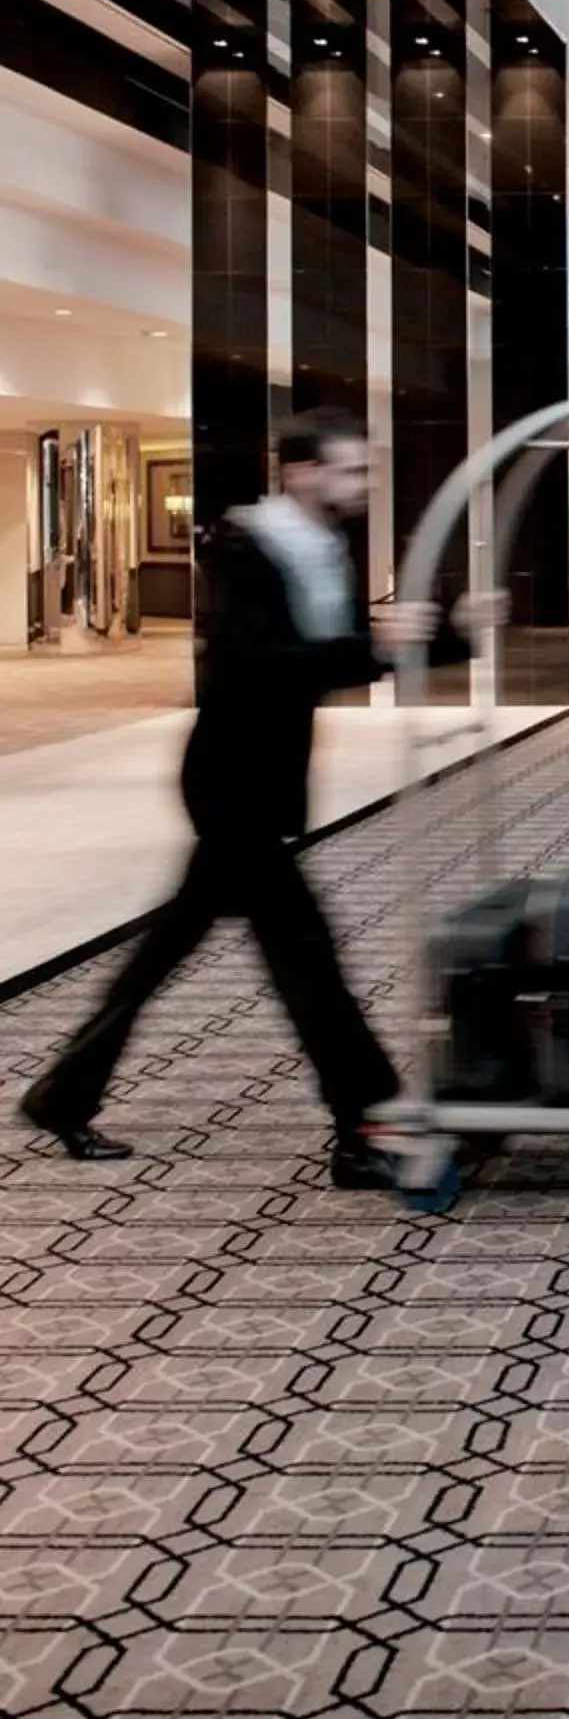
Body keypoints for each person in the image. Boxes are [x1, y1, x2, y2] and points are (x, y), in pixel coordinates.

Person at [19, 411, 499, 1189]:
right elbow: (268, 662)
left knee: (175, 947)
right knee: (308, 959)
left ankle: (61, 1096)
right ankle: (363, 1122)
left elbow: (340, 659)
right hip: (230, 779)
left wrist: (452, 634)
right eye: (349, 471)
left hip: (270, 778)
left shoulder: (324, 548)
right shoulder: (242, 548)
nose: (364, 484)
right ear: (301, 473)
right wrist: (384, 642)